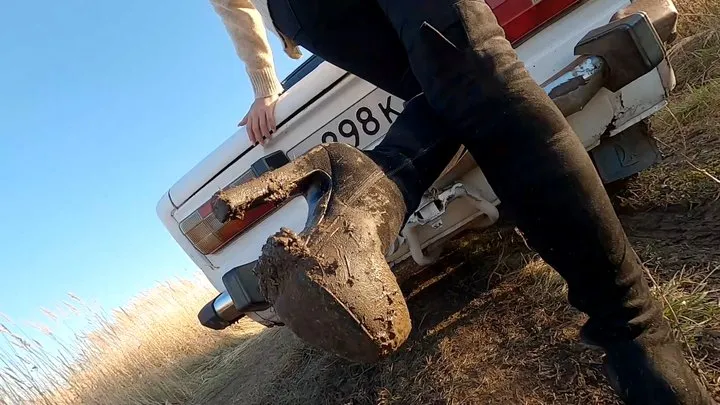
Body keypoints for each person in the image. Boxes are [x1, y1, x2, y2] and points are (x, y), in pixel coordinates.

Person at [209, 1, 716, 404]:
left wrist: (264, 83)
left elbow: (231, 3)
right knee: (473, 76)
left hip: (307, 10)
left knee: (453, 92)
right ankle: (634, 336)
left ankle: (366, 189)